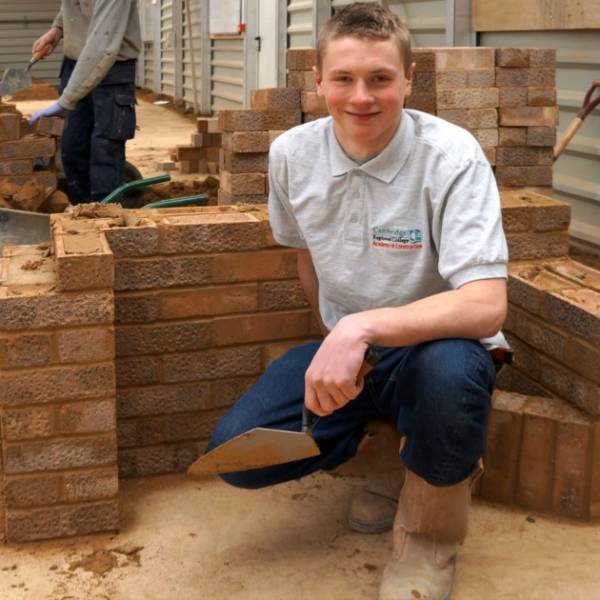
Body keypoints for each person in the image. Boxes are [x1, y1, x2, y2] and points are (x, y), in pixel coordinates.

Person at [207, 3, 510, 598]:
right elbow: (305, 255)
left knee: (449, 374)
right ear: (317, 81)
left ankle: (428, 540)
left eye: (380, 78)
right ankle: (391, 459)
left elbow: (485, 305)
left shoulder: (450, 156)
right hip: (359, 348)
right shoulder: (293, 155)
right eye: (343, 78)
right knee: (239, 453)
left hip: (438, 347)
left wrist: (358, 330)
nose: (361, 97)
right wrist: (333, 337)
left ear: (409, 80)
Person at [30, 0, 141, 203]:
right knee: (72, 147)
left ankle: (106, 214)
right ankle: (84, 209)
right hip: (75, 62)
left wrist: (66, 101)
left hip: (112, 65)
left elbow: (102, 46)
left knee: (104, 148)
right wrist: (57, 29)